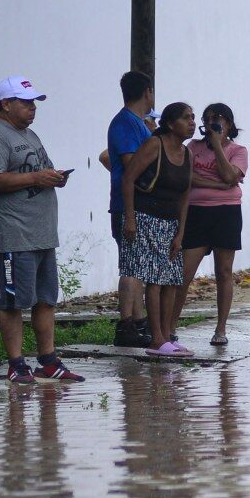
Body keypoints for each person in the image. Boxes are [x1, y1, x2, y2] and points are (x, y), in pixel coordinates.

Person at [0, 75, 82, 383]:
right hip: (14, 235)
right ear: (6, 104)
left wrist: (54, 177)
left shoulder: (30, 135)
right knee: (13, 302)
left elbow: (38, 170)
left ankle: (48, 361)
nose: (32, 108)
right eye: (25, 103)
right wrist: (37, 179)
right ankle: (16, 364)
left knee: (46, 299)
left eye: (33, 103)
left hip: (41, 234)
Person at [120, 102, 196, 355]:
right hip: (145, 217)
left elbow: (185, 195)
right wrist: (130, 218)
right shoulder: (155, 145)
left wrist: (181, 232)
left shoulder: (188, 154)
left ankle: (167, 336)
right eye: (186, 118)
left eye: (193, 118)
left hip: (171, 222)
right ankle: (156, 339)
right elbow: (128, 178)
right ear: (171, 124)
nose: (192, 123)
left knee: (172, 280)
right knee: (154, 279)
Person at [179, 102, 247, 345]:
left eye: (218, 119)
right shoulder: (192, 147)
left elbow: (231, 176)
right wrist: (217, 184)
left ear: (228, 124)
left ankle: (221, 329)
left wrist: (218, 145)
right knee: (185, 272)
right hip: (196, 212)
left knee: (224, 271)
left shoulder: (238, 150)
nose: (213, 124)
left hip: (226, 212)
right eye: (208, 119)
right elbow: (187, 176)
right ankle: (169, 329)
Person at [106, 70, 154, 347]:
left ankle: (138, 321)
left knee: (138, 265)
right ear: (147, 92)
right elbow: (131, 162)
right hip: (127, 205)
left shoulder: (139, 123)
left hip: (140, 204)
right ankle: (125, 324)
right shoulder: (124, 123)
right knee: (130, 264)